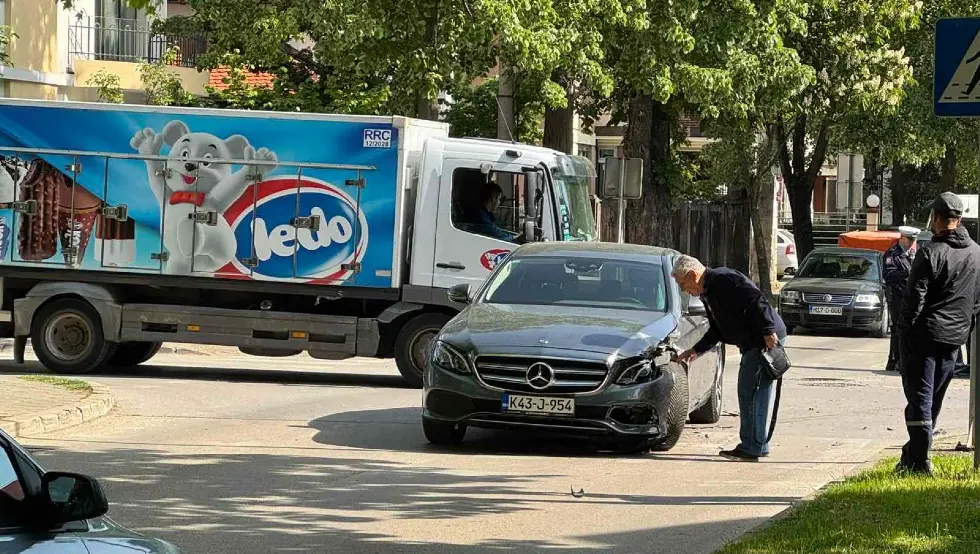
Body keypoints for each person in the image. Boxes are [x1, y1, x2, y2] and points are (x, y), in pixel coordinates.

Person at [895, 192, 980, 475]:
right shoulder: (976, 253)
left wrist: (903, 335)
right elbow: (976, 300)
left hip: (925, 337)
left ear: (937, 219)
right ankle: (912, 455)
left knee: (920, 399)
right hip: (955, 338)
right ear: (960, 219)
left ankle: (919, 462)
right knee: (932, 400)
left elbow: (913, 301)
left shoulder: (930, 252)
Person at [672, 255, 787, 462]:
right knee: (755, 393)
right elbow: (718, 328)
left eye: (682, 283)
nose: (683, 290)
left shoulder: (724, 279)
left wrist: (768, 330)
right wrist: (696, 350)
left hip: (762, 339)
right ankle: (758, 446)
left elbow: (756, 299)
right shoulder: (707, 291)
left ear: (693, 275)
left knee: (750, 391)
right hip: (754, 341)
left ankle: (751, 447)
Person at [883, 226, 920, 371]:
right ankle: (896, 360)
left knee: (909, 329)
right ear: (902, 237)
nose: (911, 243)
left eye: (913, 240)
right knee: (899, 328)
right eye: (909, 239)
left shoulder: (913, 254)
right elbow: (888, 275)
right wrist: (907, 272)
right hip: (897, 296)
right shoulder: (893, 254)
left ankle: (902, 359)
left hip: (911, 296)